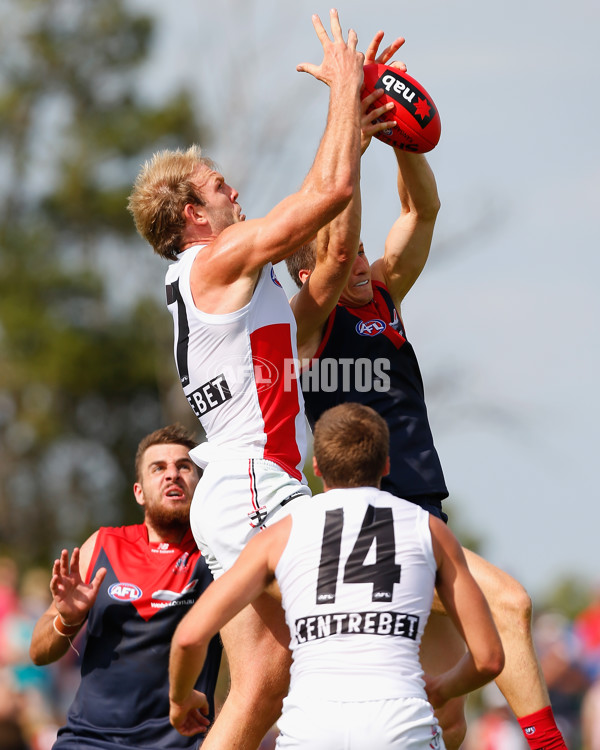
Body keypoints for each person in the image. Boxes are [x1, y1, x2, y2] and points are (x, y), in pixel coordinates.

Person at [284, 32, 568, 750]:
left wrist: (398, 124)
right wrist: (351, 102)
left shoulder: (382, 295)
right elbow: (341, 220)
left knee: (445, 716)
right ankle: (547, 742)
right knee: (509, 603)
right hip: (374, 516)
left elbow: (422, 213)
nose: (350, 257)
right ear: (312, 261)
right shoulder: (308, 323)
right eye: (332, 251)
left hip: (420, 508)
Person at [127, 10, 366, 749]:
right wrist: (344, 91)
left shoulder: (225, 292)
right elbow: (316, 202)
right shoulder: (214, 261)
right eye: (221, 185)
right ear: (193, 215)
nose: (236, 192)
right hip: (255, 481)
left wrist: (352, 135)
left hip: (242, 488)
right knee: (342, 641)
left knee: (266, 680)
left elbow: (325, 265)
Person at [167, 402, 505, 750]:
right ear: (386, 465)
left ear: (317, 466)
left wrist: (179, 700)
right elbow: (489, 658)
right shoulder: (430, 531)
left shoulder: (278, 537)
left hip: (311, 730)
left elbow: (189, 638)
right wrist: (443, 687)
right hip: (400, 727)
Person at [29, 424, 222, 750]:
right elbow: (37, 652)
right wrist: (69, 619)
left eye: (183, 467)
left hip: (178, 744)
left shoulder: (218, 553)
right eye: (158, 468)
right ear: (139, 492)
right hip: (86, 741)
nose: (172, 475)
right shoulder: (102, 545)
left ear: (199, 485)